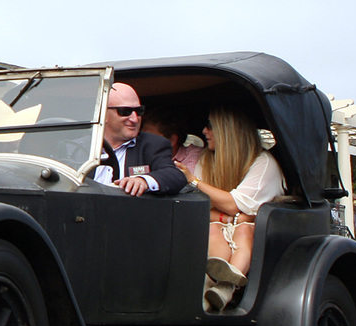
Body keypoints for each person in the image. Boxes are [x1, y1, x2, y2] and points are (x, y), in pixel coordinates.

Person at [175, 108, 286, 310]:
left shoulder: (264, 163)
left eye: (210, 126)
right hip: (216, 229)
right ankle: (214, 288)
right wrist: (231, 218)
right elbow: (200, 207)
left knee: (244, 230)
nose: (204, 131)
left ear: (228, 131)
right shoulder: (206, 160)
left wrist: (194, 181)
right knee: (215, 228)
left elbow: (233, 204)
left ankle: (226, 287)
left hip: (261, 239)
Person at [92, 83, 185, 196]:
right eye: (125, 111)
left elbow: (174, 175)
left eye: (139, 111)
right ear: (102, 114)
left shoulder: (153, 145)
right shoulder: (81, 146)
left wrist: (144, 181)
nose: (135, 119)